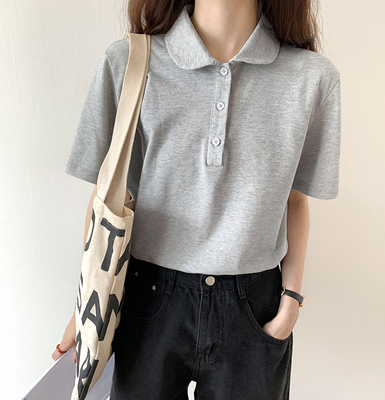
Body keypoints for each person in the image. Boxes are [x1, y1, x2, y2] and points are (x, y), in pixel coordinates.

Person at [53, 0, 341, 398]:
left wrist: (291, 300)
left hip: (254, 307)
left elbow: (295, 200)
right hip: (147, 296)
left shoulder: (312, 78)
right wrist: (86, 309)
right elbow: (108, 197)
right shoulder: (129, 63)